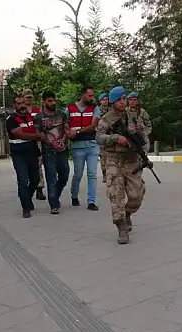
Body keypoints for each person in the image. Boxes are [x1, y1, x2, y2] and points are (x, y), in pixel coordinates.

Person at [96, 86, 149, 244]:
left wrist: (143, 151)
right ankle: (121, 227)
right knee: (116, 195)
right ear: (113, 102)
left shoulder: (133, 116)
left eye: (124, 98)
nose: (123, 102)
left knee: (136, 195)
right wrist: (115, 138)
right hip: (114, 160)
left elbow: (143, 134)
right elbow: (99, 137)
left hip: (132, 160)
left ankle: (127, 214)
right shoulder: (106, 119)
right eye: (120, 99)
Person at [6, 95, 47, 218]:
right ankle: (26, 208)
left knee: (35, 179)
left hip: (32, 152)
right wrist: (37, 136)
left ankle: (27, 198)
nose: (22, 106)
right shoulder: (11, 119)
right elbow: (21, 134)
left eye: (23, 103)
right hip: (19, 154)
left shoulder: (30, 117)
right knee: (23, 180)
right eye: (19, 104)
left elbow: (37, 129)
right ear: (14, 106)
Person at [33, 91, 71, 215]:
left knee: (64, 176)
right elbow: (39, 135)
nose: (53, 103)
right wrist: (50, 143)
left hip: (62, 150)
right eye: (50, 101)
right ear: (44, 102)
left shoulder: (61, 114)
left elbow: (66, 129)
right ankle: (53, 204)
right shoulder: (39, 117)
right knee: (51, 178)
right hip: (48, 152)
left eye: (54, 100)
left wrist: (63, 140)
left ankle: (56, 195)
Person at [66, 86, 101, 211]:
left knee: (92, 174)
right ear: (83, 95)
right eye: (90, 95)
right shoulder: (70, 109)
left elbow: (93, 126)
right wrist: (68, 132)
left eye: (93, 95)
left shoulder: (95, 108)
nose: (92, 98)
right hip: (77, 147)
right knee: (78, 174)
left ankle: (91, 201)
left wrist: (77, 132)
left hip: (92, 145)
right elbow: (64, 123)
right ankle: (74, 195)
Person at [22, 89, 47, 201]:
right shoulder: (21, 111)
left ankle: (39, 188)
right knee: (26, 165)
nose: (29, 99)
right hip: (25, 139)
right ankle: (27, 187)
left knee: (38, 164)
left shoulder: (37, 111)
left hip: (36, 140)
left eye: (30, 97)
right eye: (27, 97)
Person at [97, 92, 109, 183]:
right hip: (101, 135)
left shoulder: (112, 109)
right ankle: (105, 174)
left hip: (111, 135)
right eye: (103, 99)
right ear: (100, 101)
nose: (105, 101)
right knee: (103, 156)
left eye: (106, 99)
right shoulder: (97, 111)